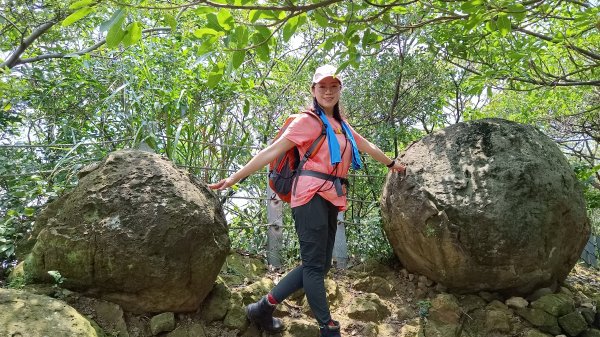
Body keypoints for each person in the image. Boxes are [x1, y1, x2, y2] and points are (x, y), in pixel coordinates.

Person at [208, 64, 406, 337]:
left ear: (339, 90)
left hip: (332, 196)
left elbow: (367, 146)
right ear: (313, 90)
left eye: (333, 86)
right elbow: (271, 152)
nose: (328, 91)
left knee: (320, 266)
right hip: (309, 195)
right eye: (322, 86)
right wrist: (233, 178)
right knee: (314, 266)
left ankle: (263, 308)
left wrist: (394, 164)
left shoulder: (342, 126)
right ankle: (328, 328)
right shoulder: (306, 121)